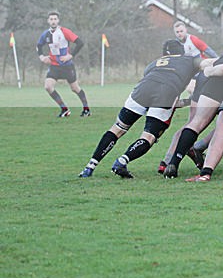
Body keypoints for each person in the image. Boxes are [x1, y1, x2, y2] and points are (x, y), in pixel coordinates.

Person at [78, 40, 213, 178]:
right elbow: (206, 65)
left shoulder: (153, 64)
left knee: (117, 128)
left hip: (141, 90)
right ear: (182, 51)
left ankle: (89, 167)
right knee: (149, 136)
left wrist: (182, 102)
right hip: (165, 93)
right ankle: (122, 161)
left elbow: (155, 87)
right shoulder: (188, 60)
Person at [36, 11, 90, 117]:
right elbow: (38, 45)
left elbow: (80, 43)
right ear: (48, 21)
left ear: (58, 20)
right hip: (54, 66)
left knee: (75, 88)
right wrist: (42, 57)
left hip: (67, 66)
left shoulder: (64, 31)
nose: (53, 21)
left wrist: (71, 55)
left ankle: (86, 109)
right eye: (51, 19)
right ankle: (64, 109)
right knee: (48, 86)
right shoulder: (46, 34)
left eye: (55, 19)